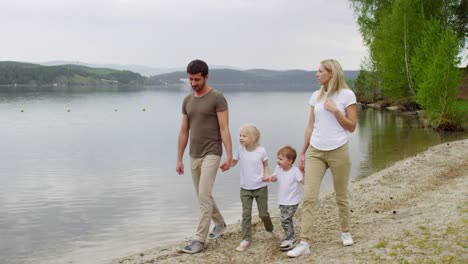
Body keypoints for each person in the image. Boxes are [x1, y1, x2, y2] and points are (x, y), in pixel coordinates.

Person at [287, 59, 357, 258]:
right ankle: (304, 242)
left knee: (341, 195)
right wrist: (302, 152)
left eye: (320, 71)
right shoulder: (315, 96)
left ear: (331, 74)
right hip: (316, 152)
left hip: (339, 150)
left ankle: (345, 232)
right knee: (309, 197)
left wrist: (335, 111)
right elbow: (310, 126)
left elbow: (352, 127)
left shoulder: (347, 95)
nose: (316, 74)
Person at [176, 59, 233, 254]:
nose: (193, 83)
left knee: (203, 195)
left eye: (197, 79)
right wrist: (179, 158)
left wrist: (229, 155)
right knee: (202, 194)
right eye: (191, 79)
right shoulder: (187, 101)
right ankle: (220, 223)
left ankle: (199, 239)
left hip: (212, 151)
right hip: (194, 153)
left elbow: (224, 128)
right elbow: (184, 131)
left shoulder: (218, 98)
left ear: (206, 77)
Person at [231, 124, 282, 252]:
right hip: (245, 188)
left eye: (244, 136)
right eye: (240, 136)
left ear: (253, 138)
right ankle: (246, 239)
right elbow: (233, 162)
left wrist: (266, 175)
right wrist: (227, 164)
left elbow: (265, 165)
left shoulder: (261, 150)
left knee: (263, 214)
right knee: (246, 214)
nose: (241, 138)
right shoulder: (240, 150)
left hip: (260, 187)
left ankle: (271, 229)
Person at [269, 145, 303, 251]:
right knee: (284, 220)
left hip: (292, 201)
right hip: (282, 201)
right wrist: (270, 178)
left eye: (281, 159)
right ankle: (289, 237)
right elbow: (274, 178)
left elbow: (302, 180)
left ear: (290, 160)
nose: (278, 161)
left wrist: (306, 173)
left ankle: (291, 238)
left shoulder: (295, 171)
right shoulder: (278, 169)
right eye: (277, 158)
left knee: (285, 219)